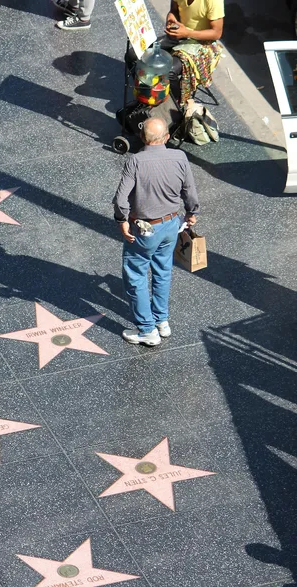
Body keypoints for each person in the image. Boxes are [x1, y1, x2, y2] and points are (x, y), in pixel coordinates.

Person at [113, 117, 199, 347]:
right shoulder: (180, 157)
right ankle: (161, 320)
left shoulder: (136, 162)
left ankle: (147, 330)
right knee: (162, 270)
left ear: (142, 137)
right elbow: (189, 190)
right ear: (167, 138)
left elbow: (121, 198)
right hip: (171, 224)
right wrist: (191, 213)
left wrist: (121, 219)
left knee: (135, 275)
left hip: (144, 229)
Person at [163, 0, 224, 102]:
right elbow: (174, 10)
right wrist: (171, 18)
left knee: (168, 70)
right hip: (181, 35)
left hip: (203, 43)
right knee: (138, 54)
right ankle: (146, 92)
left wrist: (187, 33)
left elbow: (216, 33)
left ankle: (177, 103)